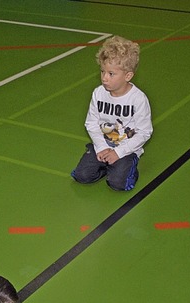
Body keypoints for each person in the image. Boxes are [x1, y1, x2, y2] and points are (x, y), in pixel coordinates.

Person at [71, 36, 153, 191]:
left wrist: (118, 152)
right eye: (102, 72)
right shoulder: (98, 93)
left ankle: (125, 168)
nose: (104, 78)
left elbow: (144, 132)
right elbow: (91, 123)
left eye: (111, 74)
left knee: (118, 184)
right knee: (82, 176)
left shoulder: (138, 99)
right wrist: (101, 147)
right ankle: (105, 166)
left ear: (128, 76)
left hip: (126, 149)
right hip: (103, 144)